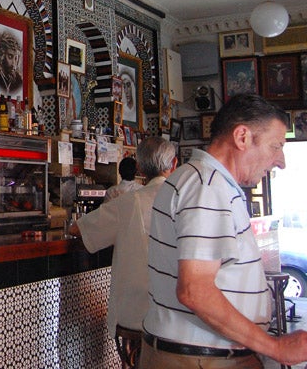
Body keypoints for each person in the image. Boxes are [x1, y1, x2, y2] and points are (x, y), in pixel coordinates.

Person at [142, 94, 307, 368]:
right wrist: (274, 347)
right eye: (275, 146)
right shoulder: (206, 187)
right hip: (201, 358)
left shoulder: (205, 182)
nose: (281, 161)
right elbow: (195, 290)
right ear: (242, 137)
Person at [71, 136, 178, 368]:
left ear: (139, 167)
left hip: (136, 314)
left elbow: (77, 229)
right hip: (182, 315)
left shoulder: (128, 203)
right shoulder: (188, 201)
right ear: (174, 164)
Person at [0, 30, 23, 97]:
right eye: (10, 57)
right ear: (2, 56)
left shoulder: (19, 81)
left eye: (16, 58)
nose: (14, 64)